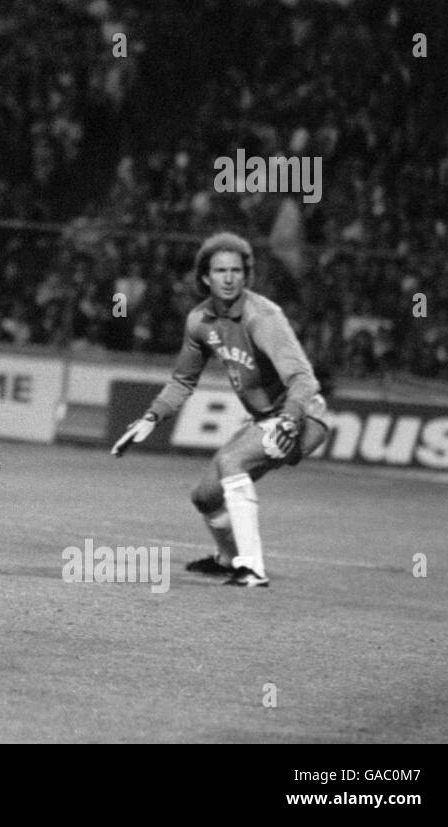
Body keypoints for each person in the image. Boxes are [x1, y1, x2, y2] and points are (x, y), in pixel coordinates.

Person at [111, 232, 329, 588]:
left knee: (232, 463)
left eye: (236, 271)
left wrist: (289, 421)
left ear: (246, 275)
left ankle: (251, 568)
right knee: (205, 496)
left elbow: (304, 380)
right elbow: (183, 380)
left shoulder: (264, 317)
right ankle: (228, 559)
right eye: (220, 271)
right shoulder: (199, 321)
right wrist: (152, 417)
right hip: (263, 419)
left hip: (304, 418)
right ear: (204, 277)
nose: (229, 278)